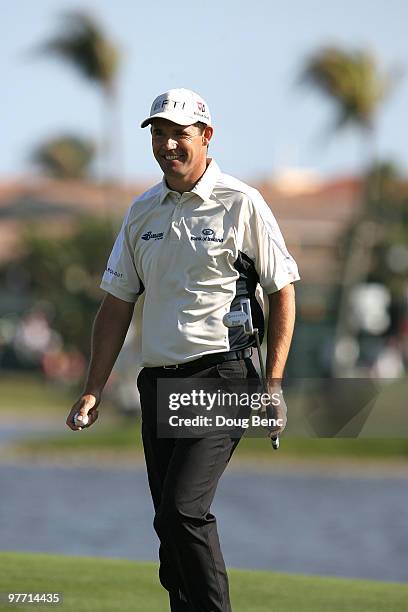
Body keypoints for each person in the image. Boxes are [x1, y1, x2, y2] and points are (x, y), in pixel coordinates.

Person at [66, 88, 300, 612]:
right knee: (168, 530)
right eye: (159, 134)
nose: (168, 144)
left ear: (206, 136)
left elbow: (283, 290)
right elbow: (116, 306)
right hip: (160, 385)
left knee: (183, 512)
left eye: (179, 134)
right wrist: (92, 389)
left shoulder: (241, 202)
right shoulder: (142, 210)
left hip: (225, 376)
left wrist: (275, 385)